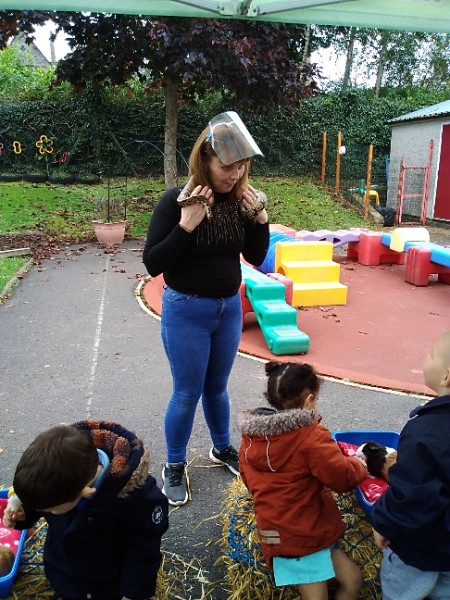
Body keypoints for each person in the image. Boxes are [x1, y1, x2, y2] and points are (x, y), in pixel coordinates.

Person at [142, 111, 270, 506]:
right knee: (186, 392)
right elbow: (153, 263)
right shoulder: (175, 201)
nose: (236, 174)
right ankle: (174, 464)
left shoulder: (239, 202)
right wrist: (186, 225)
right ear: (206, 160)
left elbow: (256, 256)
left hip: (228, 310)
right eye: (228, 166)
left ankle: (221, 447)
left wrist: (260, 219)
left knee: (217, 388)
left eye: (242, 165)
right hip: (186, 311)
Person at [238, 361, 368, 600]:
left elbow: (247, 478)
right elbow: (343, 478)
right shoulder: (311, 437)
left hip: (282, 530)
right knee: (329, 591)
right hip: (301, 536)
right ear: (309, 400)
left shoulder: (252, 436)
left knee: (353, 578)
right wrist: (360, 464)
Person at [3, 420, 169, 600]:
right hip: (63, 569)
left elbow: (143, 549)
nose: (44, 512)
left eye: (49, 509)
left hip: (105, 582)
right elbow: (43, 498)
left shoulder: (135, 498)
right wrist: (24, 514)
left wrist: (133, 593)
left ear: (84, 493)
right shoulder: (60, 478)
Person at [371, 329, 450, 600]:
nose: (427, 358)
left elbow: (411, 495)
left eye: (432, 355)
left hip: (418, 554)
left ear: (446, 376)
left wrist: (382, 522)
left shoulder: (424, 432)